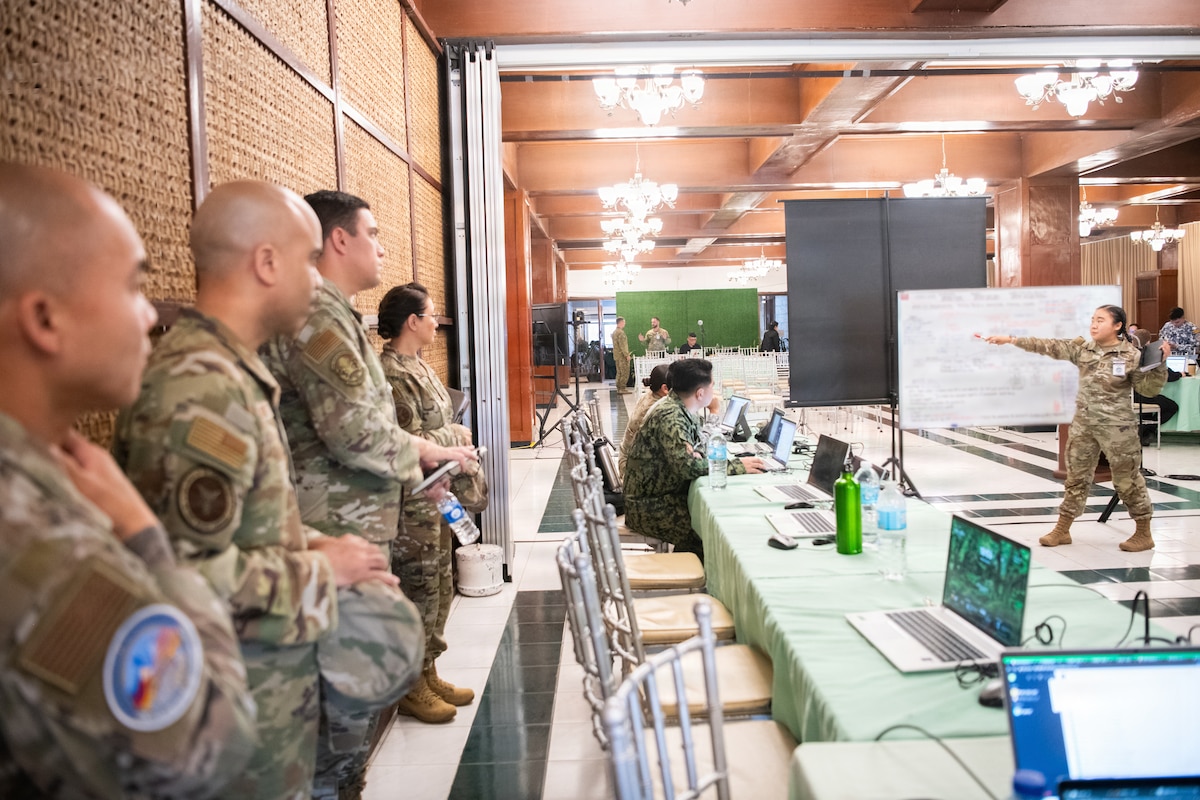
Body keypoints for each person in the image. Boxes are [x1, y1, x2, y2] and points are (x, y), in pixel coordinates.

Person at [115, 180, 399, 799]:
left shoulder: (232, 374)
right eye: (306, 261)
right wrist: (326, 575)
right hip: (239, 720)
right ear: (267, 263)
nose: (316, 281)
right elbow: (179, 580)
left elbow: (246, 528)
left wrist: (319, 549)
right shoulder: (200, 390)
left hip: (272, 698)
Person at [0, 163, 258, 798]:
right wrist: (147, 543)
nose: (149, 318)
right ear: (45, 319)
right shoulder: (36, 549)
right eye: (132, 286)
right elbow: (207, 742)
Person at [260, 190, 475, 797]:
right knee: (337, 724)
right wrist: (431, 453)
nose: (382, 245)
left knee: (346, 717)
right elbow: (355, 432)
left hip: (354, 522)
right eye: (373, 233)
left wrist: (422, 470)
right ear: (339, 240)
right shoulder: (317, 314)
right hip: (333, 530)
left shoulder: (336, 314)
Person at [982, 304, 1168, 552]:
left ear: (1117, 326)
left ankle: (1143, 532)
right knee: (1076, 477)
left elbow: (1149, 390)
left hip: (1117, 429)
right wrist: (1011, 339)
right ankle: (1063, 529)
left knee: (1127, 480)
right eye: (1092, 319)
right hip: (1084, 426)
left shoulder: (1131, 355)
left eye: (1100, 320)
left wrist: (1160, 365)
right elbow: (1047, 344)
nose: (1093, 324)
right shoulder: (1082, 349)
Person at [376, 283, 480, 725]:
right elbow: (406, 439)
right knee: (417, 589)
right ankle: (410, 684)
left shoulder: (419, 365)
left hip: (437, 492)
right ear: (411, 321)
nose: (437, 322)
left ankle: (430, 669)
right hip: (412, 499)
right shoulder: (392, 374)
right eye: (432, 315)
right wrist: (455, 438)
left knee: (438, 585)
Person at [623, 359, 764, 557]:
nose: (714, 389)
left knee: (712, 520)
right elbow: (687, 467)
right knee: (713, 530)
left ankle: (690, 568)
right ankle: (697, 579)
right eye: (712, 385)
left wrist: (699, 455)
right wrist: (737, 466)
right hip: (649, 507)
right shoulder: (671, 415)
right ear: (700, 393)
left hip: (663, 496)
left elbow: (698, 449)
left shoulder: (680, 407)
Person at [619, 363, 671, 476]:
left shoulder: (651, 395)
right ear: (665, 389)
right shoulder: (656, 409)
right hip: (632, 470)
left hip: (631, 459)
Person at [1130, 328, 1180, 444]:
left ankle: (1144, 434)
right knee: (1172, 406)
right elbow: (1168, 375)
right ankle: (1147, 430)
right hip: (1145, 394)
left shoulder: (1129, 354)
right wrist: (1180, 374)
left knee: (1146, 410)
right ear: (1148, 342)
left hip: (1131, 396)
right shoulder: (1149, 354)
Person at [612, 315, 632, 394]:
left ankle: (618, 387)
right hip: (622, 356)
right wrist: (627, 355)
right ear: (621, 323)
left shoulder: (614, 332)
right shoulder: (621, 333)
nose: (625, 324)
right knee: (624, 372)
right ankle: (622, 388)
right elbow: (623, 345)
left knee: (619, 372)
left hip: (617, 356)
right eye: (624, 322)